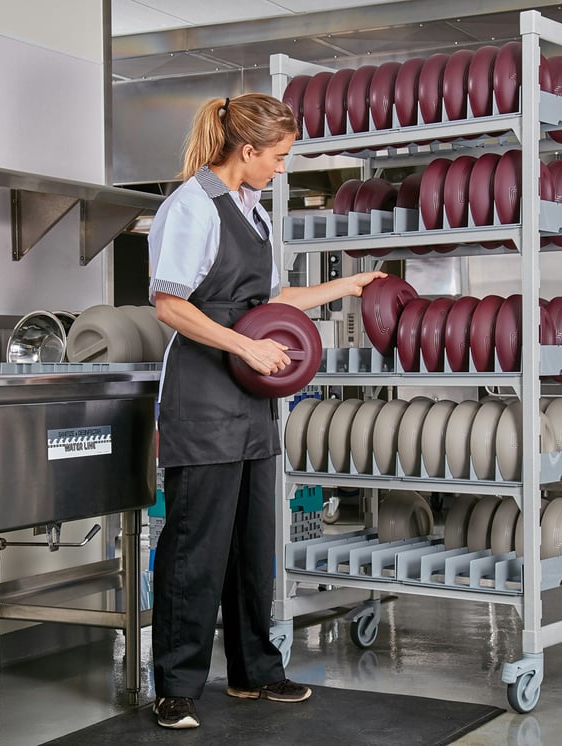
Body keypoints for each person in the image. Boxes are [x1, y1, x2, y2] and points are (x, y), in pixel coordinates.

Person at [147, 92, 385, 730]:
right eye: (277, 157)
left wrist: (347, 285)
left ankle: (256, 671)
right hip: (203, 394)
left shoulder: (252, 211)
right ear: (246, 151)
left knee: (254, 544)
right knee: (196, 546)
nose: (282, 168)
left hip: (252, 398)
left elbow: (271, 297)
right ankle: (176, 686)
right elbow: (169, 303)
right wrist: (246, 345)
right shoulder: (190, 207)